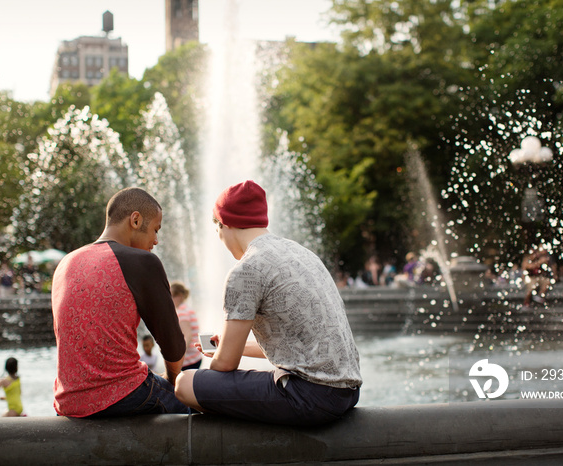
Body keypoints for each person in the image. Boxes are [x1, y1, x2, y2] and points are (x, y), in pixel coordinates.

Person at [175, 180, 362, 426]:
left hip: (310, 397)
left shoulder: (247, 269)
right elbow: (299, 344)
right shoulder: (302, 254)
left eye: (217, 228)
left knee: (185, 383)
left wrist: (224, 354)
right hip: (347, 393)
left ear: (225, 223)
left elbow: (224, 365)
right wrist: (235, 346)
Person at [52, 187, 188, 417]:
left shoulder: (66, 262)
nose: (156, 240)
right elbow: (173, 345)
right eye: (155, 230)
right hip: (126, 395)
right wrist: (174, 384)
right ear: (135, 220)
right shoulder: (142, 261)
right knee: (200, 407)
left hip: (69, 403)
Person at [171, 280, 203, 370]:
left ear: (180, 296)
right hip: (195, 357)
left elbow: (187, 336)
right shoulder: (187, 308)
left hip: (188, 360)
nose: (169, 299)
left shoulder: (182, 312)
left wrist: (179, 359)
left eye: (172, 296)